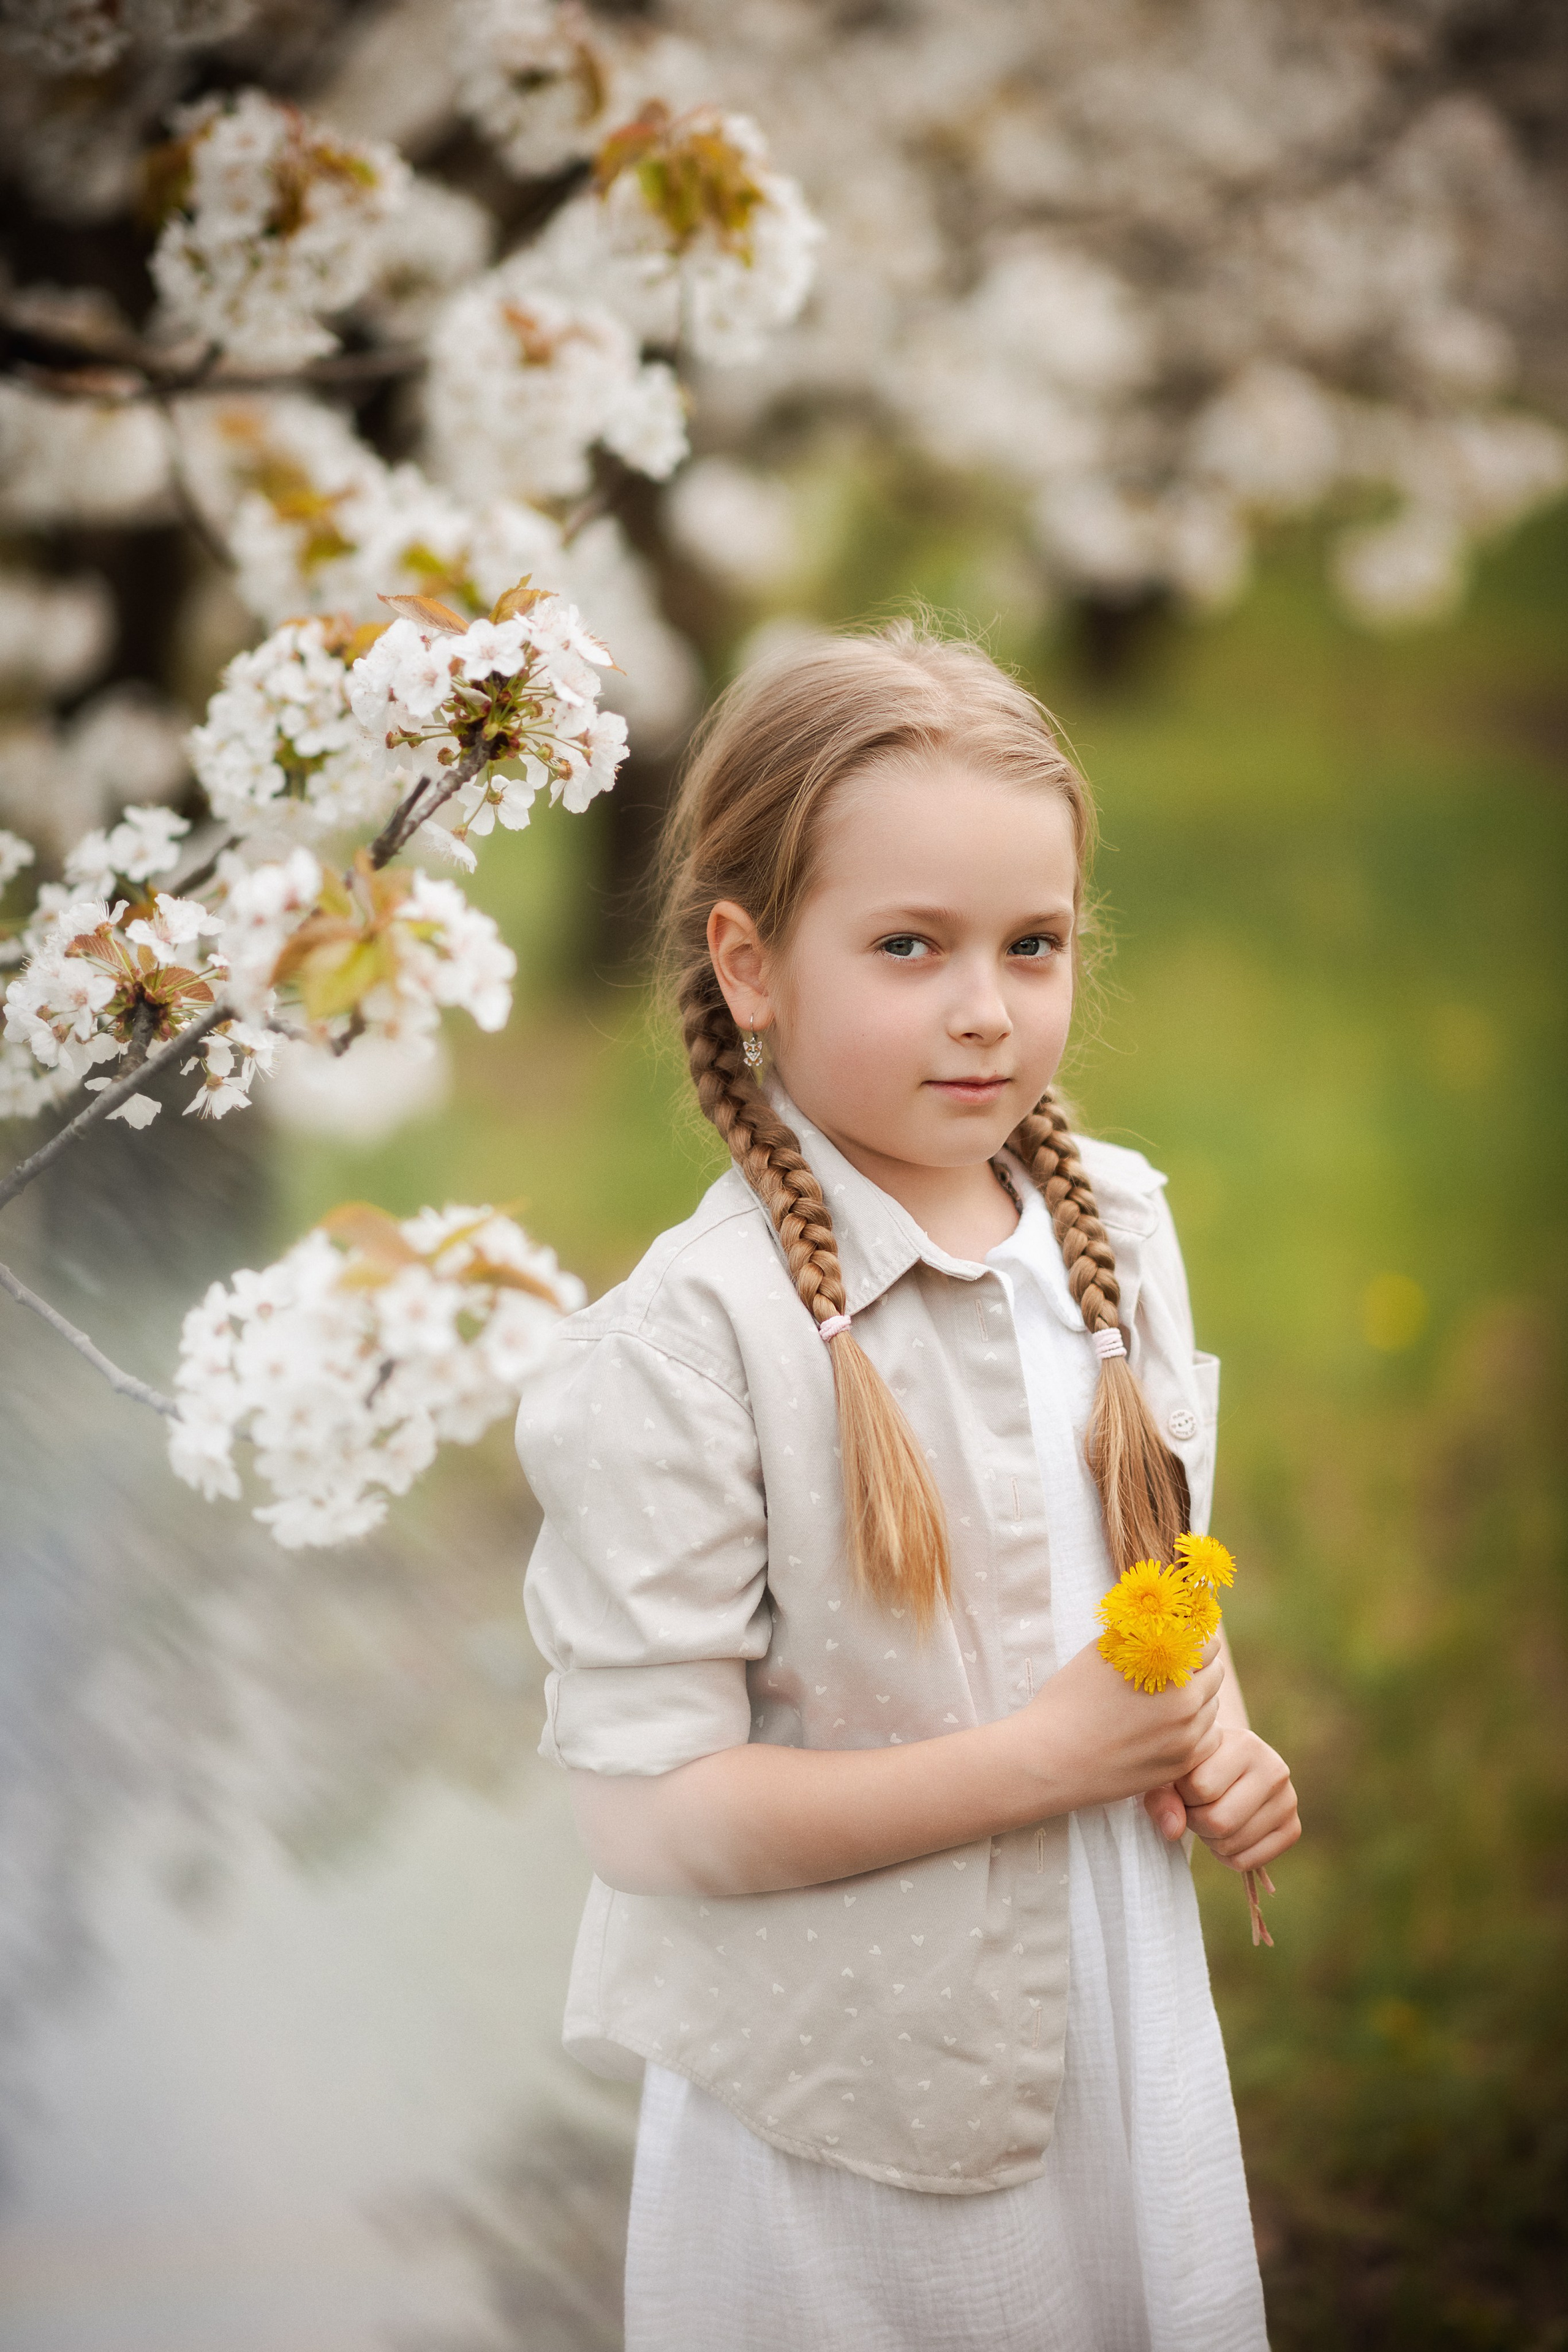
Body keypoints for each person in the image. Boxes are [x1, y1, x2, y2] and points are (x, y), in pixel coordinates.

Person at [517, 623, 1301, 2351]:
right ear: (751, 963)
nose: (984, 1009)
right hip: (842, 2095)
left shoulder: (1121, 1232)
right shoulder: (691, 1345)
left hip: (1108, 2002)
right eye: (907, 945)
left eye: (1033, 944)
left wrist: (1213, 1729)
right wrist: (1041, 1763)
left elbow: (1148, 1595)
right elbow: (648, 1816)